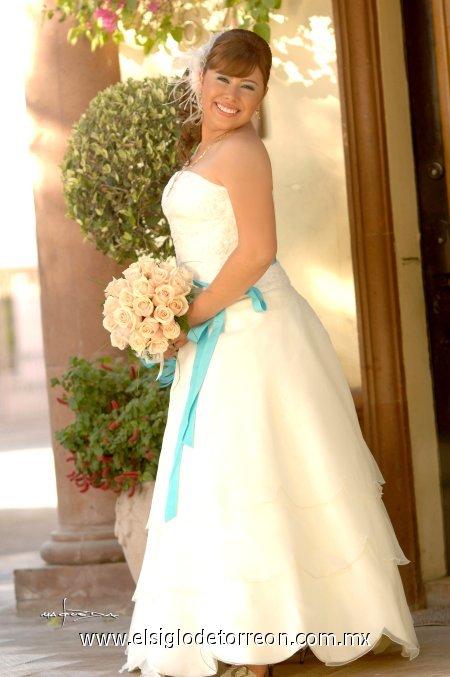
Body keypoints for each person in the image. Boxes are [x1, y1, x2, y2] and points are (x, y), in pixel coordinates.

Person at [120, 28, 420, 677]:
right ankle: (244, 632)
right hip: (216, 329)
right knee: (227, 480)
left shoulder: (246, 151)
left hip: (251, 330)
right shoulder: (207, 146)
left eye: (247, 85)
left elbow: (256, 254)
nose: (231, 95)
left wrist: (188, 315)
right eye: (222, 79)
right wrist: (165, 306)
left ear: (262, 95)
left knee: (252, 477)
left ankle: (257, 650)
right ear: (200, 78)